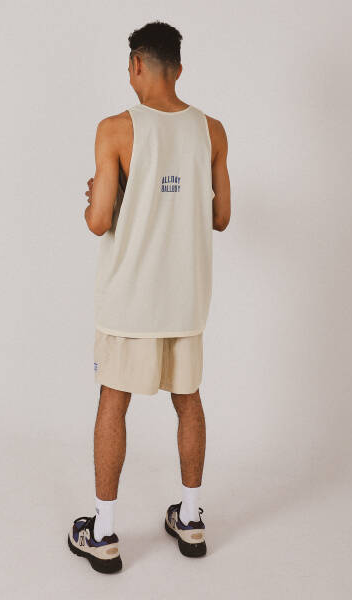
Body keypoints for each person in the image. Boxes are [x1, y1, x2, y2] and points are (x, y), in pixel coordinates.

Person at [67, 21, 231, 574]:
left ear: (136, 65)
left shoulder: (115, 129)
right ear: (178, 69)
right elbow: (221, 217)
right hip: (186, 300)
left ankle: (104, 534)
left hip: (130, 300)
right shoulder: (212, 131)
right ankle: (191, 520)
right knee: (189, 401)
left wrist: (99, 197)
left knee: (113, 402)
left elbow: (97, 222)